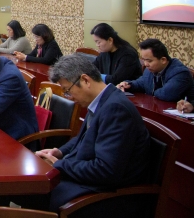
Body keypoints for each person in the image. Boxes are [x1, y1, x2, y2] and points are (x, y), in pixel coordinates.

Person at [31, 54, 150, 213]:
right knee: (30, 185)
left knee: (33, 191)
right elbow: (83, 138)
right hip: (87, 178)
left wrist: (59, 164)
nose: (70, 98)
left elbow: (105, 170)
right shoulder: (102, 100)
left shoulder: (116, 109)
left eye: (68, 91)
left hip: (104, 194)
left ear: (85, 80)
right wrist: (59, 152)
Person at [117, 38, 194, 102]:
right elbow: (141, 83)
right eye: (144, 60)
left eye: (149, 61)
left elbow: (166, 94)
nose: (145, 64)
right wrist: (128, 85)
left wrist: (152, 90)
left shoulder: (180, 73)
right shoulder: (150, 69)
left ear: (163, 60)